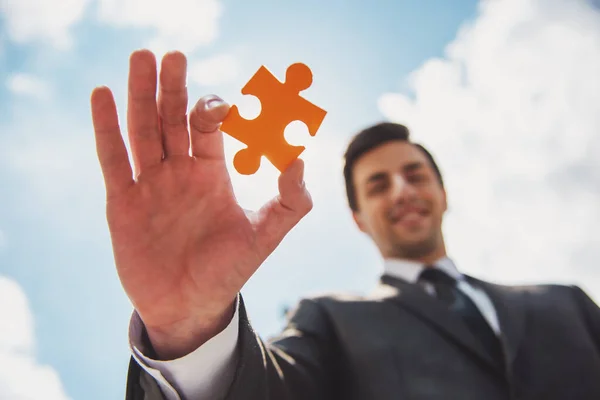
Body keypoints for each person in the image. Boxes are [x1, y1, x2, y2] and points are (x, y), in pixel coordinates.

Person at [91, 50, 600, 400]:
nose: (400, 190)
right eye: (378, 185)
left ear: (442, 193)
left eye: (414, 174)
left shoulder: (568, 304)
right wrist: (190, 329)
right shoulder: (331, 319)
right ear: (358, 220)